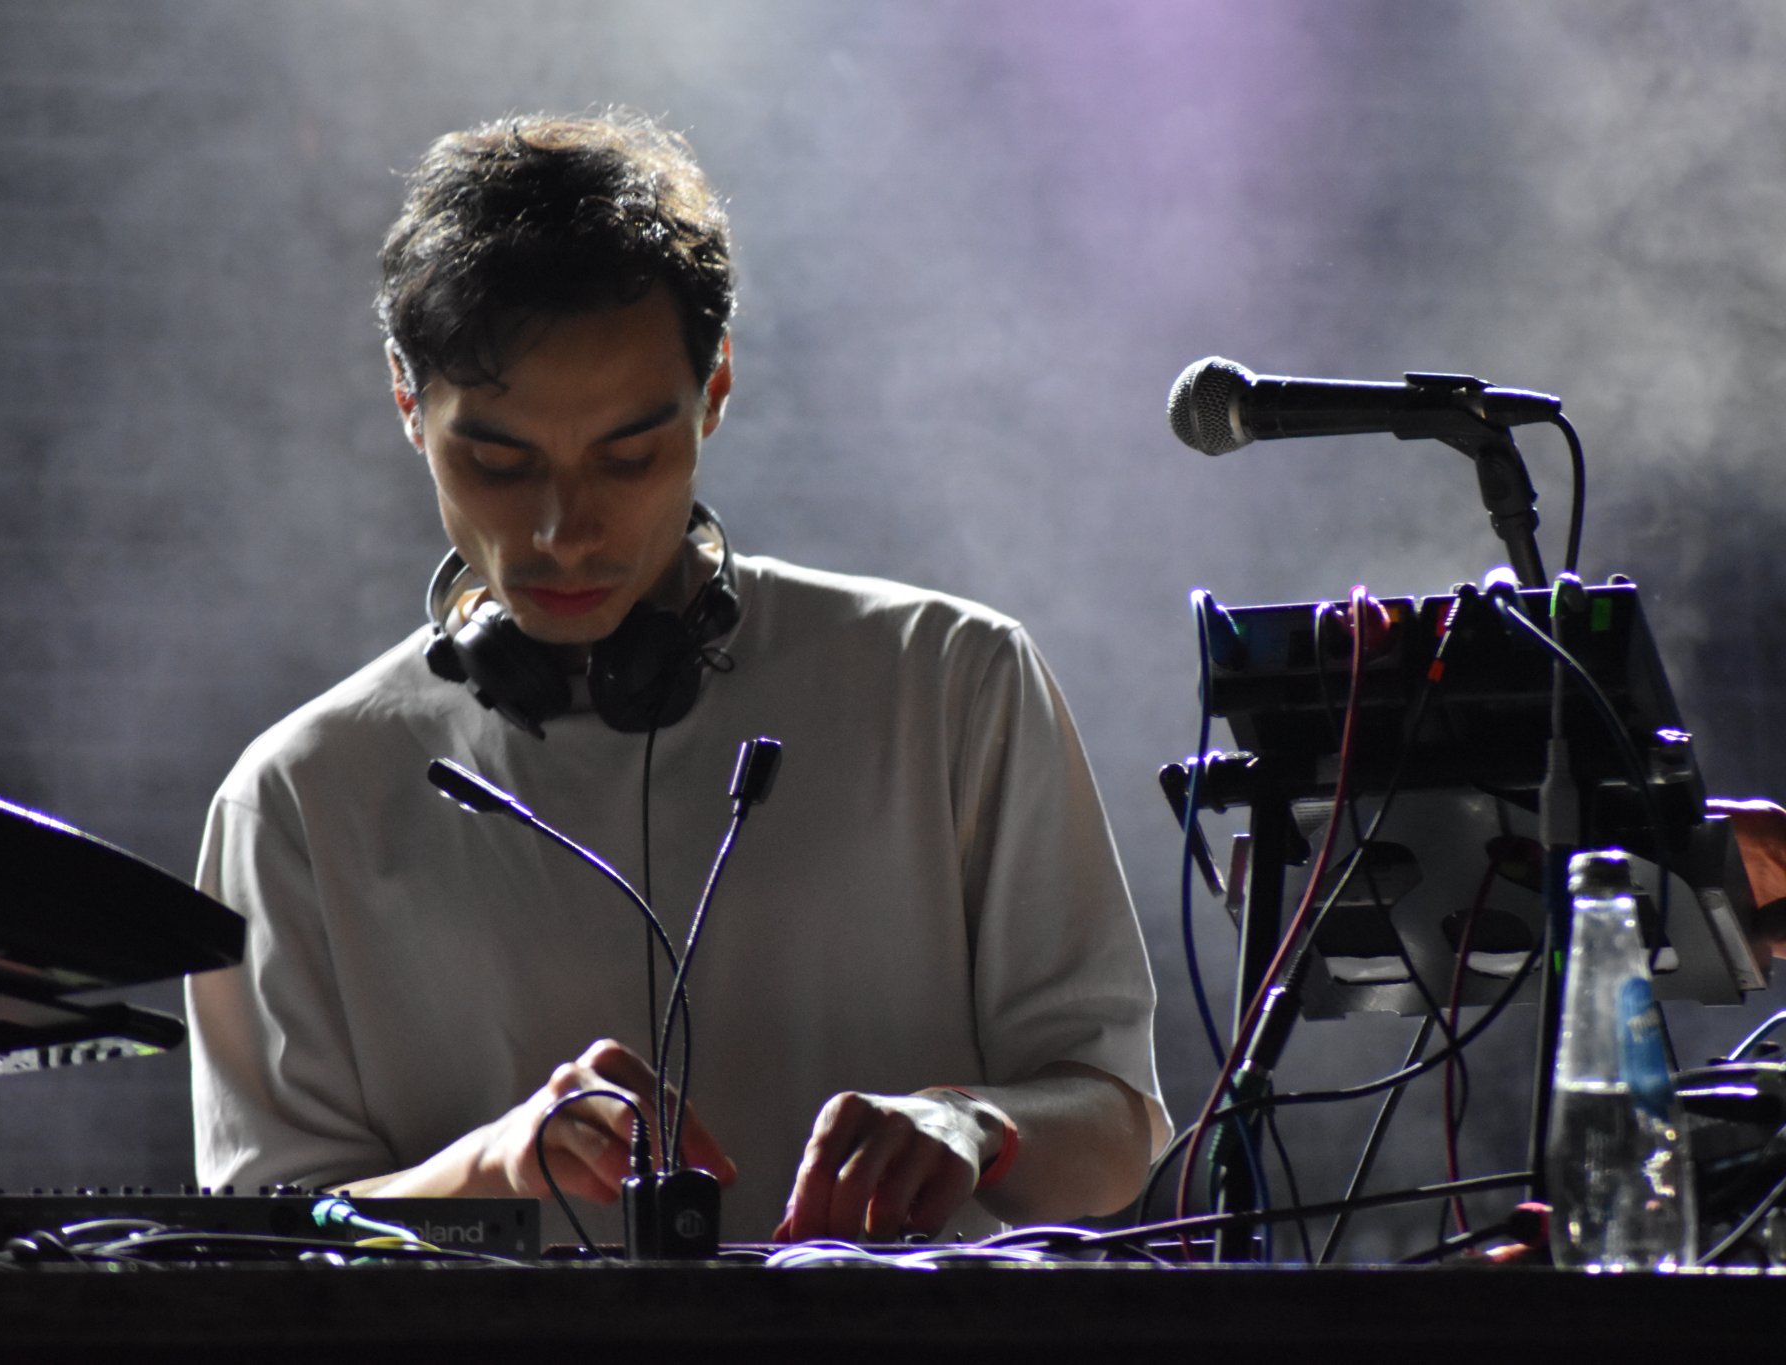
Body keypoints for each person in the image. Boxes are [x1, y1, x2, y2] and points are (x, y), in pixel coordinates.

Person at [187, 111, 1169, 1245]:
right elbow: (259, 1244)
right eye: (498, 461)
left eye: (629, 455)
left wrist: (972, 1123)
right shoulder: (296, 801)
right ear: (408, 404)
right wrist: (491, 1166)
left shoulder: (955, 686)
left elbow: (1116, 1134)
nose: (562, 531)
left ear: (716, 390)